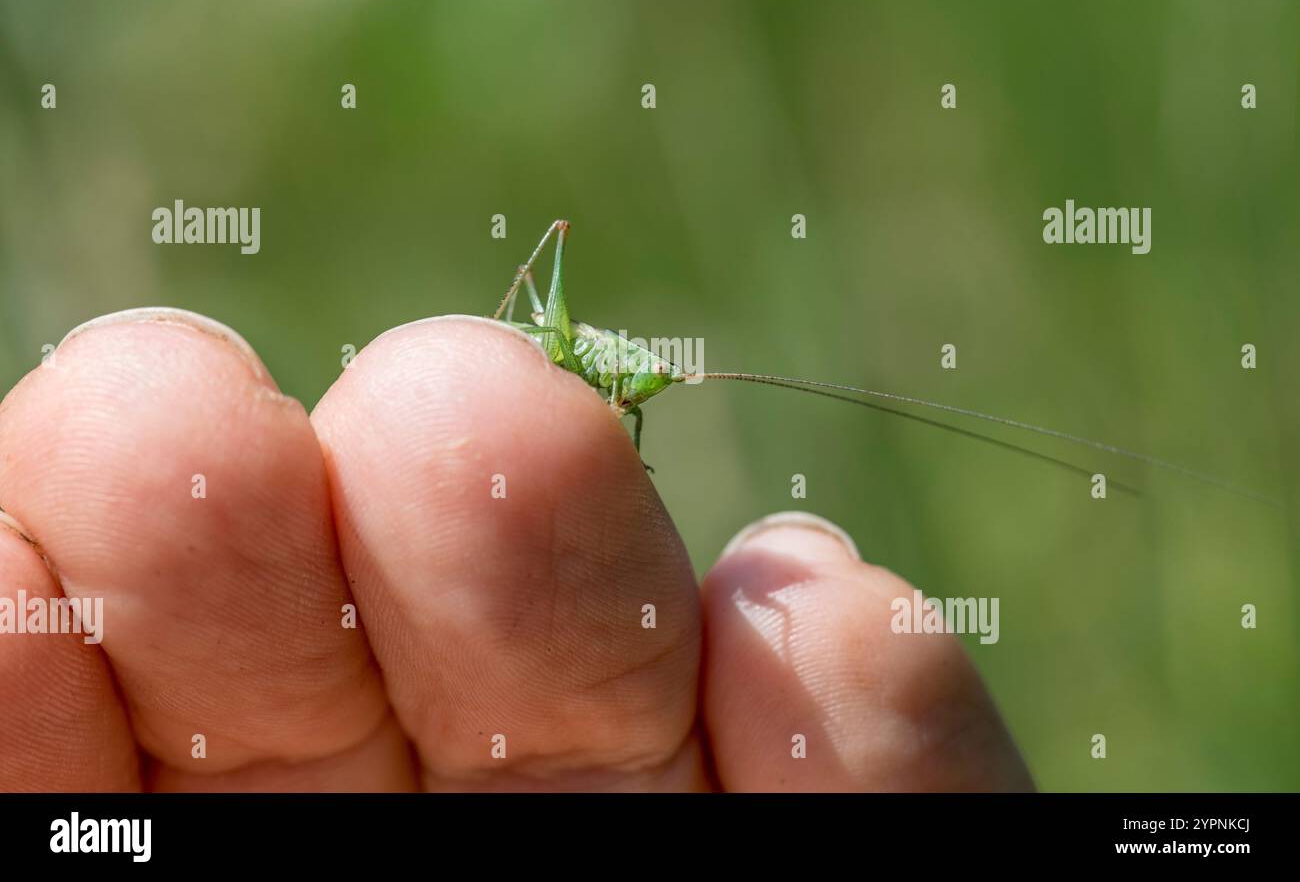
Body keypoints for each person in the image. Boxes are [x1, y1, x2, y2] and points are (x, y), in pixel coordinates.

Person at [0, 309, 1033, 792]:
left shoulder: (632, 397)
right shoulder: (593, 373)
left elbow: (619, 415)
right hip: (534, 360)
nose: (647, 393)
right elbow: (593, 383)